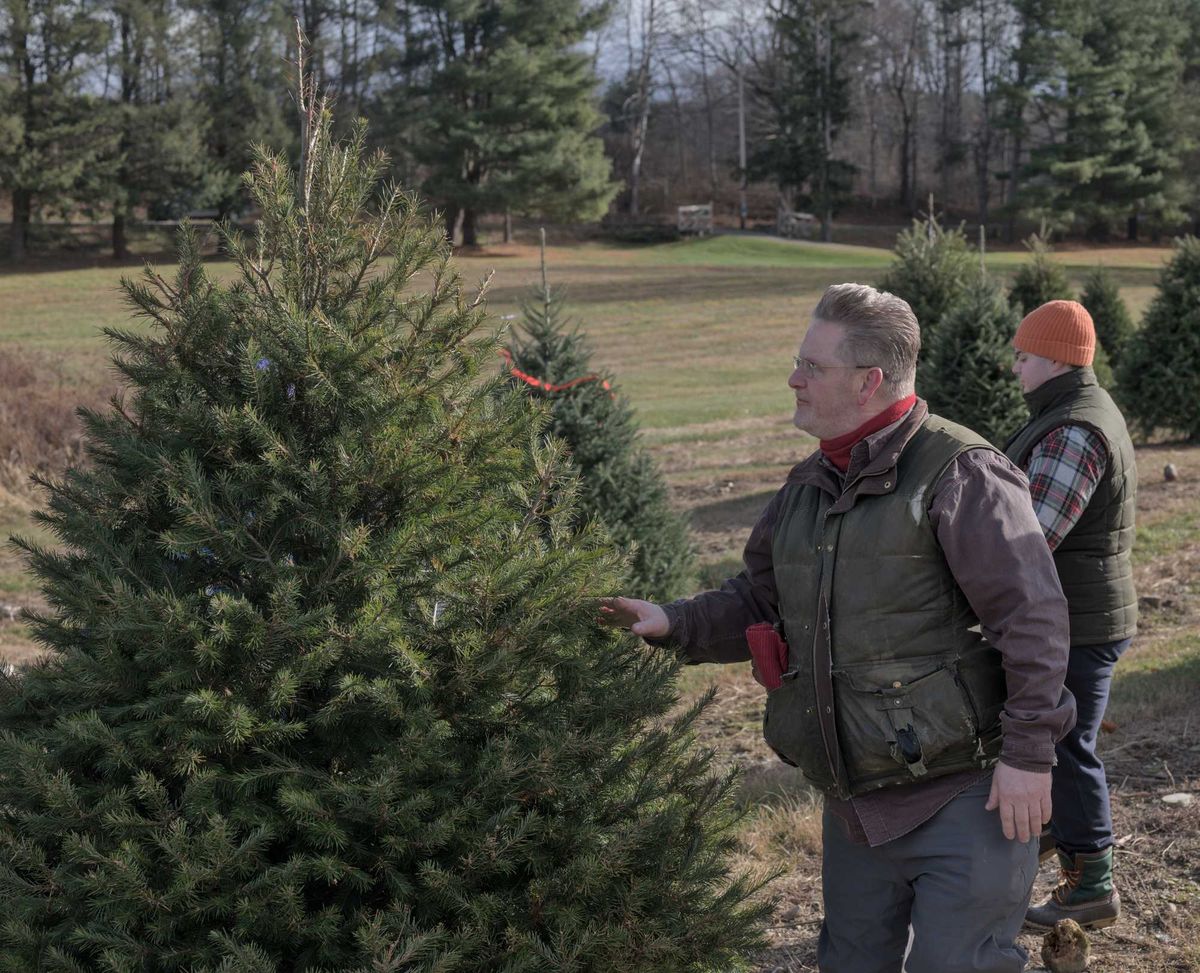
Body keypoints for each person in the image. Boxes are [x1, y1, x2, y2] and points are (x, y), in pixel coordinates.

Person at [601, 283, 1076, 973]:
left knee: (956, 965)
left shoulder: (962, 474)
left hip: (965, 792)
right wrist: (673, 621)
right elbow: (761, 600)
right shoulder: (807, 486)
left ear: (868, 381)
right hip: (856, 803)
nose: (793, 378)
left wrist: (1030, 755)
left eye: (811, 367)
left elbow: (1033, 619)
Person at [1006, 300, 1136, 931]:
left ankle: (1092, 885)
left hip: (1081, 621)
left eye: (1024, 357)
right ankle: (1058, 829)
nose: (1016, 369)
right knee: (1064, 740)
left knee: (1067, 744)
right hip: (1081, 614)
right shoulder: (1072, 412)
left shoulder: (1072, 431)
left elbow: (1031, 536)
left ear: (1055, 360)